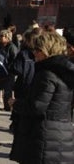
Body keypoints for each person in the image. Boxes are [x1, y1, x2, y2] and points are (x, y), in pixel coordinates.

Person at [10, 31, 74, 163]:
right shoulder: (66, 71)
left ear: (46, 50)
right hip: (63, 131)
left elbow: (37, 106)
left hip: (43, 135)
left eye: (37, 50)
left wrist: (16, 103)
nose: (34, 53)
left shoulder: (47, 74)